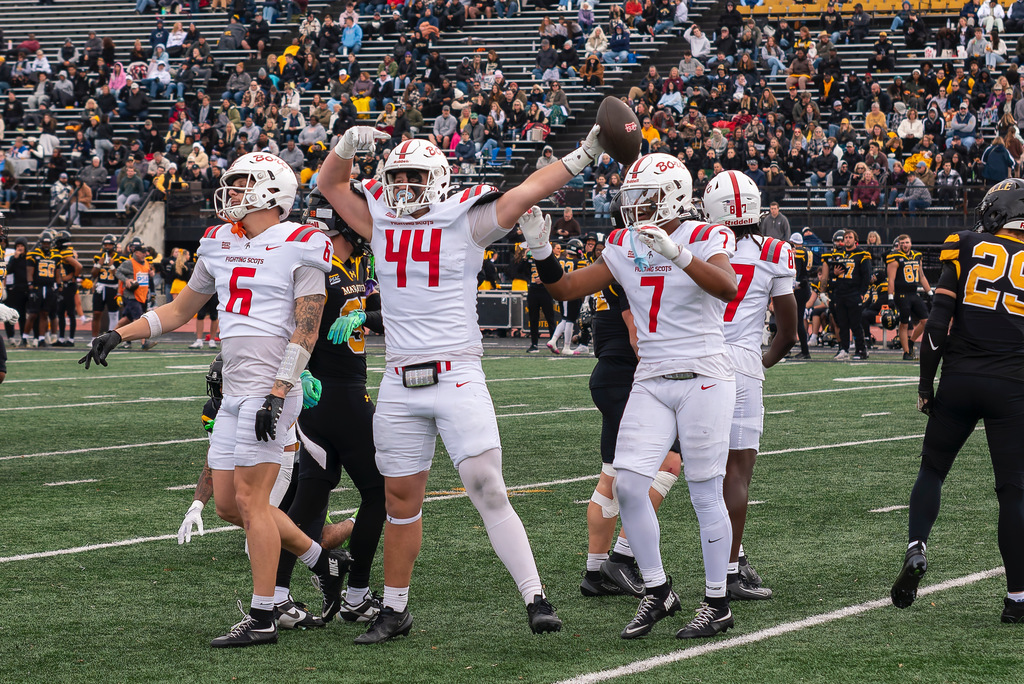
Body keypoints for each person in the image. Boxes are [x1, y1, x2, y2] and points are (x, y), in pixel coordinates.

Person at [315, 122, 606, 642]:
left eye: (413, 176)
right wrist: (344, 146)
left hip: (456, 374)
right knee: (400, 501)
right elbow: (331, 184)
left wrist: (585, 153)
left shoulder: (464, 220)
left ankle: (535, 596)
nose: (402, 185)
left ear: (439, 179)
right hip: (400, 381)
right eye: (396, 175)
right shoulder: (379, 217)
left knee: (487, 488)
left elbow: (528, 192)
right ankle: (395, 609)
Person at [79, 152, 352, 648]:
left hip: (272, 388)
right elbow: (182, 308)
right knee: (230, 506)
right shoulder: (220, 240)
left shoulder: (304, 242)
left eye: (243, 183)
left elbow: (307, 326)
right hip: (234, 391)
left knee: (252, 502)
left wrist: (279, 392)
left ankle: (264, 615)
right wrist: (120, 333)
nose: (231, 192)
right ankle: (321, 559)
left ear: (272, 192)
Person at [531, 153, 740, 640]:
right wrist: (541, 251)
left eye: (645, 196)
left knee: (706, 493)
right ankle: (658, 589)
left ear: (674, 196)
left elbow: (728, 287)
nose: (637, 206)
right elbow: (566, 288)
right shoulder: (624, 242)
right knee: (627, 484)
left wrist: (677, 254)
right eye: (632, 198)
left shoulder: (708, 234)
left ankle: (717, 602)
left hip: (704, 372)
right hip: (651, 376)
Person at [891, 179, 1024, 626]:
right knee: (1013, 492)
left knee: (932, 469)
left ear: (997, 212)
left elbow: (936, 325)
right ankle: (1017, 598)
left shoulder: (966, 246)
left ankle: (917, 547)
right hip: (1013, 387)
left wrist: (926, 385)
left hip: (961, 379)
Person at [276, 188, 388, 625]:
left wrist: (368, 312)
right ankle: (357, 595)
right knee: (380, 493)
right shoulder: (317, 270)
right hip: (337, 396)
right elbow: (292, 325)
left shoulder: (347, 266)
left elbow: (378, 306)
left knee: (305, 504)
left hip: (325, 400)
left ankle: (277, 597)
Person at [580, 193, 682, 600]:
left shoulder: (615, 279)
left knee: (611, 475)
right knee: (667, 463)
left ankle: (596, 571)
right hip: (626, 379)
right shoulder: (627, 283)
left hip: (612, 378)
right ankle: (620, 556)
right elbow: (638, 339)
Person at [704, 171, 797, 602]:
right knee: (736, 472)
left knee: (666, 466)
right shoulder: (775, 250)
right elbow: (788, 331)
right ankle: (729, 568)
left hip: (695, 357)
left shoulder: (696, 240)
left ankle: (628, 557)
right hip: (741, 363)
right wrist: (758, 366)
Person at [823, 230, 872, 360]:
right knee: (842, 323)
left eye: (850, 237)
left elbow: (866, 276)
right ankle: (844, 349)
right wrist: (834, 274)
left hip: (854, 292)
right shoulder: (838, 255)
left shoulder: (862, 254)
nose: (847, 240)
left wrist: (862, 293)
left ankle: (861, 350)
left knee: (855, 324)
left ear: (855, 239)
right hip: (840, 293)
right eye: (846, 237)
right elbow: (833, 276)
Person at [26, 230, 80, 347]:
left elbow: (73, 268)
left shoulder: (61, 254)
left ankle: (58, 338)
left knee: (56, 313)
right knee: (44, 313)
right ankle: (49, 337)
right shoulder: (41, 254)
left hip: (56, 287)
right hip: (43, 286)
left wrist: (69, 279)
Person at [886, 235, 932, 360]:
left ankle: (911, 342)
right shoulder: (894, 257)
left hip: (913, 293)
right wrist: (890, 297)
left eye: (907, 242)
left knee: (925, 321)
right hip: (901, 294)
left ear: (911, 243)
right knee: (904, 323)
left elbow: (921, 276)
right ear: (899, 245)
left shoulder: (917, 255)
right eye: (902, 243)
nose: (905, 245)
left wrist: (930, 292)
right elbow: (891, 279)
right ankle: (906, 352)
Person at [90, 234, 124, 341]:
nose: (107, 246)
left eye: (109, 244)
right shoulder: (98, 256)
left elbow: (119, 275)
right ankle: (94, 338)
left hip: (113, 288)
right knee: (96, 313)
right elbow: (94, 274)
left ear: (114, 245)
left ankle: (110, 339)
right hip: (100, 287)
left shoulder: (119, 258)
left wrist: (112, 266)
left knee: (113, 314)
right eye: (105, 244)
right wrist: (99, 264)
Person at [790, 232, 813, 359]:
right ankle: (804, 350)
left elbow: (798, 271)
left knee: (797, 320)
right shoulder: (807, 251)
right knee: (797, 320)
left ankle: (805, 351)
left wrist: (794, 284)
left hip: (800, 288)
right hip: (805, 287)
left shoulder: (799, 252)